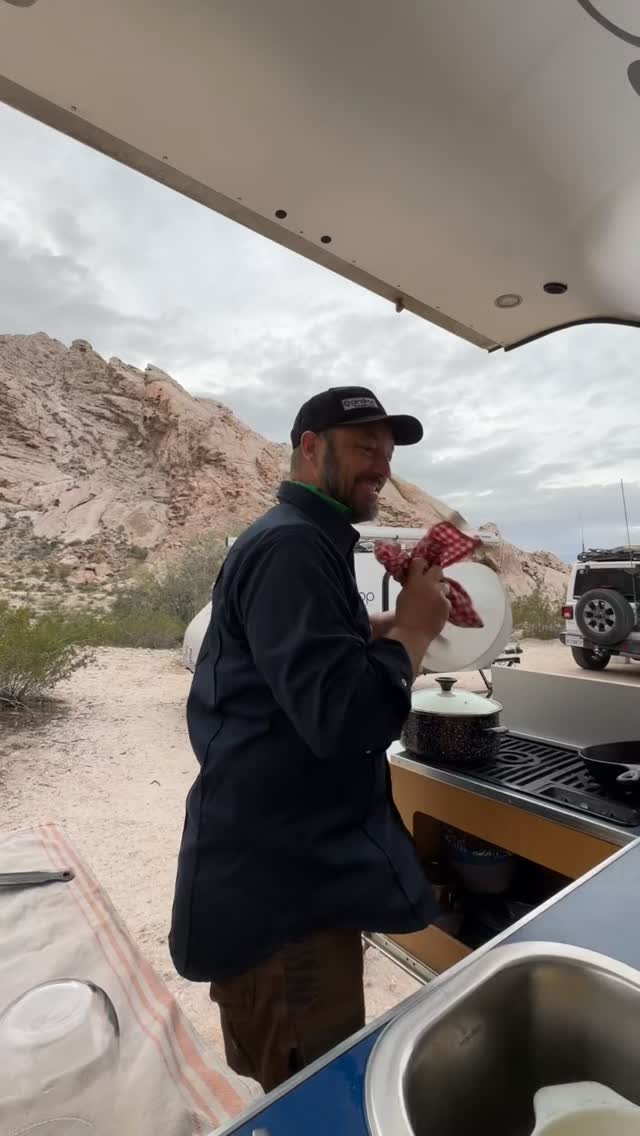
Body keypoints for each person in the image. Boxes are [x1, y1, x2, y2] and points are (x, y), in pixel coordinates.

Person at [169, 385, 450, 1092]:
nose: (381, 466)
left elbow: (295, 672)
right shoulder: (294, 546)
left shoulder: (301, 541)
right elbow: (344, 720)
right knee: (314, 1093)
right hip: (283, 899)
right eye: (364, 448)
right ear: (309, 447)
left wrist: (377, 633)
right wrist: (415, 628)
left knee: (298, 1080)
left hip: (284, 873)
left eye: (386, 453)